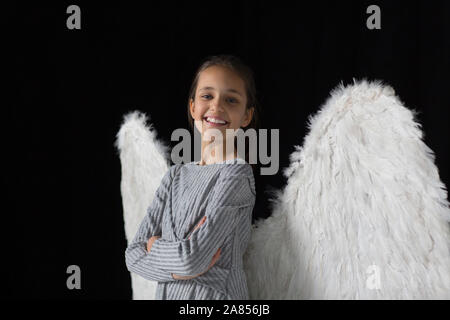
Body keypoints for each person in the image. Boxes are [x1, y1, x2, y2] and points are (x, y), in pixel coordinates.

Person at [125, 54, 260, 299]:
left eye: (231, 100)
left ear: (246, 116)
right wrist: (179, 271)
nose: (216, 106)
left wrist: (155, 246)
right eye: (207, 96)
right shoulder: (174, 176)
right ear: (192, 107)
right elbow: (133, 255)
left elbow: (192, 259)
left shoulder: (236, 175)